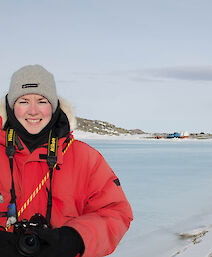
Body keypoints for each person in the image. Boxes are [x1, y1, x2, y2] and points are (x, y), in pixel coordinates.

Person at [0, 65, 133, 257]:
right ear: (11, 106)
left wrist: (75, 238)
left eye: (42, 101)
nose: (33, 111)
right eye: (24, 101)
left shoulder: (85, 158)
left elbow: (116, 212)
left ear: (53, 106)